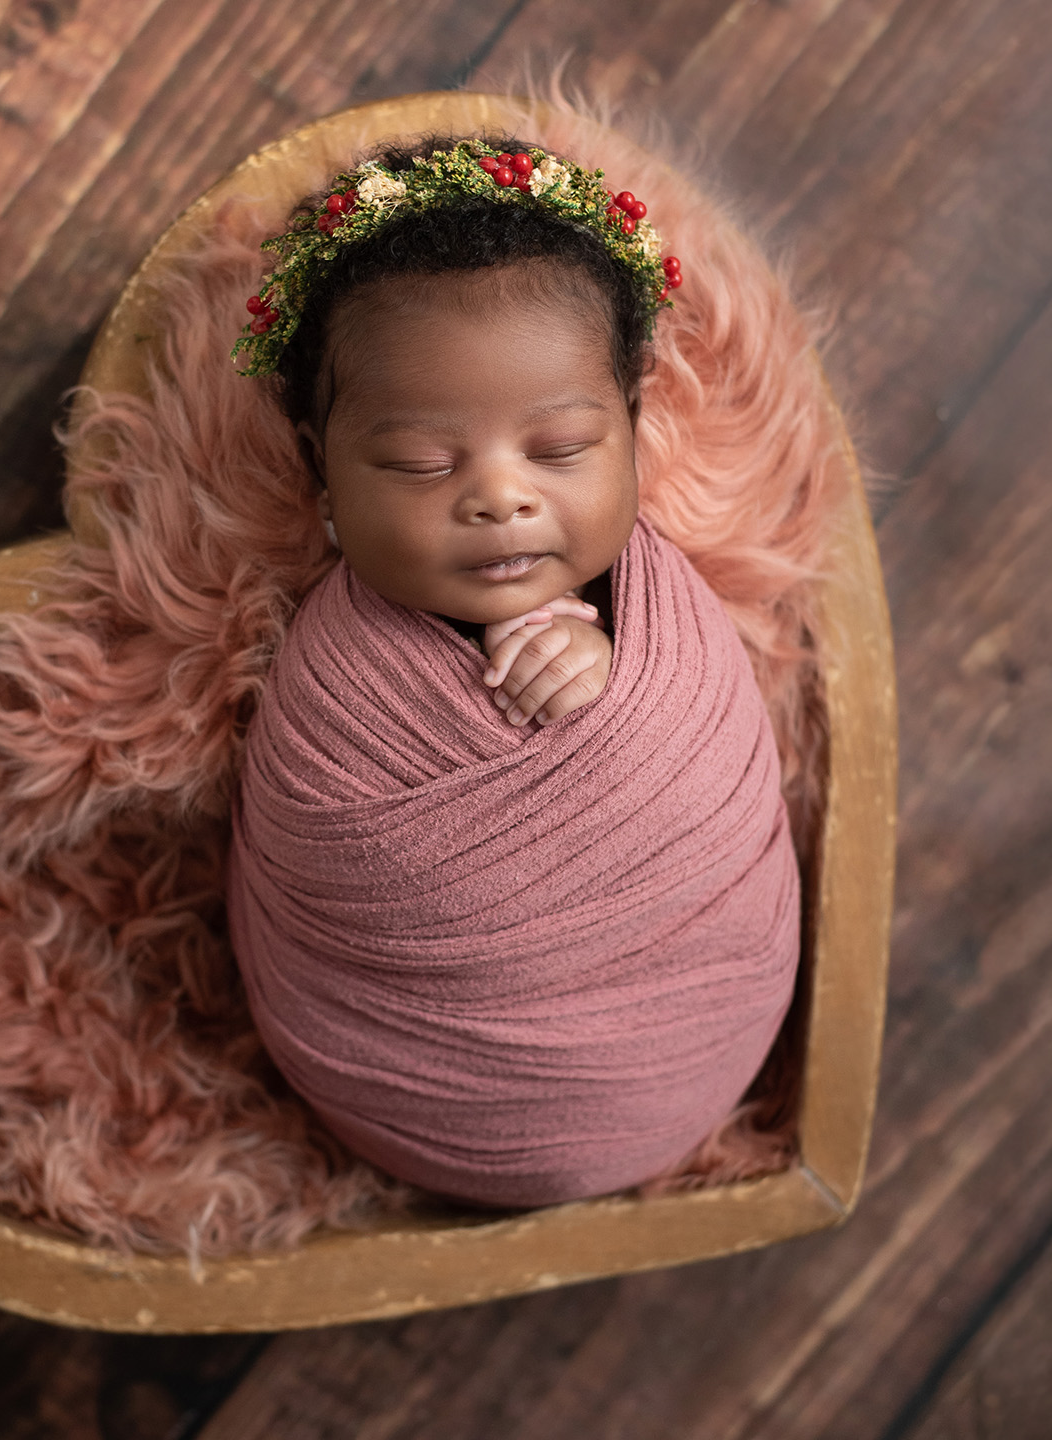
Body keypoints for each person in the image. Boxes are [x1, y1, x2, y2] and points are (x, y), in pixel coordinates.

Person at [226, 137, 799, 1209]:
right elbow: (327, 870)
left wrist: (619, 721)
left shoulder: (667, 614)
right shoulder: (331, 690)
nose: (498, 497)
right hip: (422, 1086)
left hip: (687, 1044)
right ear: (321, 476)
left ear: (634, 428)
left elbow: (719, 795)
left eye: (560, 448)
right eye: (420, 464)